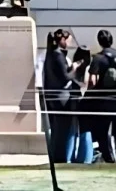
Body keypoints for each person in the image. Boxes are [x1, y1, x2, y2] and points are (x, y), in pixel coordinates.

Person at [85, 30, 116, 164]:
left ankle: (108, 157)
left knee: (103, 129)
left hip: (103, 99)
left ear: (99, 42)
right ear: (111, 40)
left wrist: (89, 94)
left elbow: (92, 81)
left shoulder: (98, 58)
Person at [42, 29, 76, 164]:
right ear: (63, 40)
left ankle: (56, 156)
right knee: (63, 129)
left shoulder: (50, 54)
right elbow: (65, 77)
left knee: (56, 129)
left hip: (52, 96)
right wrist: (75, 67)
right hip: (61, 97)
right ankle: (60, 157)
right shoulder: (58, 55)